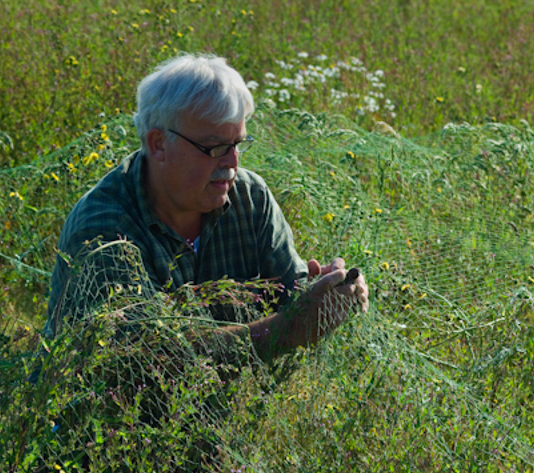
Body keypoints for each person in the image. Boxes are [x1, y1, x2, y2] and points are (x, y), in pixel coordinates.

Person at [45, 53, 368, 363]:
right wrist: (289, 329)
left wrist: (329, 293)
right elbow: (141, 360)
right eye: (214, 147)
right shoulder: (103, 228)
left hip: (226, 408)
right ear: (158, 144)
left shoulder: (250, 197)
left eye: (238, 144)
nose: (232, 162)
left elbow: (289, 290)